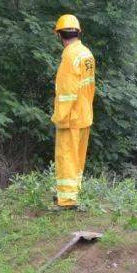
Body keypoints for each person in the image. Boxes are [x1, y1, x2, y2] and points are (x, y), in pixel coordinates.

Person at [51, 14, 96, 209]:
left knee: (66, 157)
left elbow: (67, 91)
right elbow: (90, 87)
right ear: (78, 32)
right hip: (84, 114)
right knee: (77, 157)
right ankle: (73, 193)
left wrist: (59, 116)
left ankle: (67, 201)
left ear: (59, 34)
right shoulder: (86, 53)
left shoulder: (69, 56)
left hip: (71, 117)